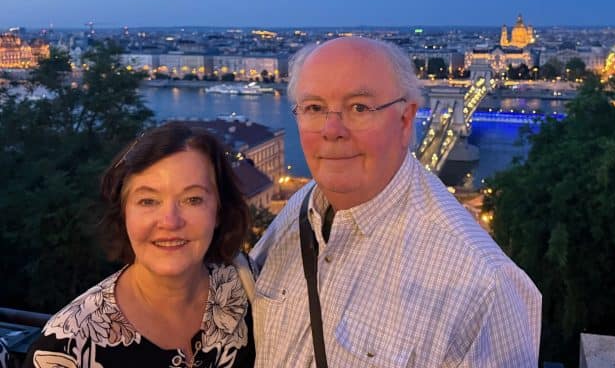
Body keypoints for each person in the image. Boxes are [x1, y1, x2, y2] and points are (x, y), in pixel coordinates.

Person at [250, 37, 541, 367]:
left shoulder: (484, 286)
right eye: (314, 108)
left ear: (405, 121)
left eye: (359, 107)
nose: (331, 130)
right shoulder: (298, 210)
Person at [24, 122, 255, 368]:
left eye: (193, 199)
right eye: (148, 201)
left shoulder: (247, 285)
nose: (170, 221)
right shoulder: (68, 348)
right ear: (123, 214)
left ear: (219, 211)